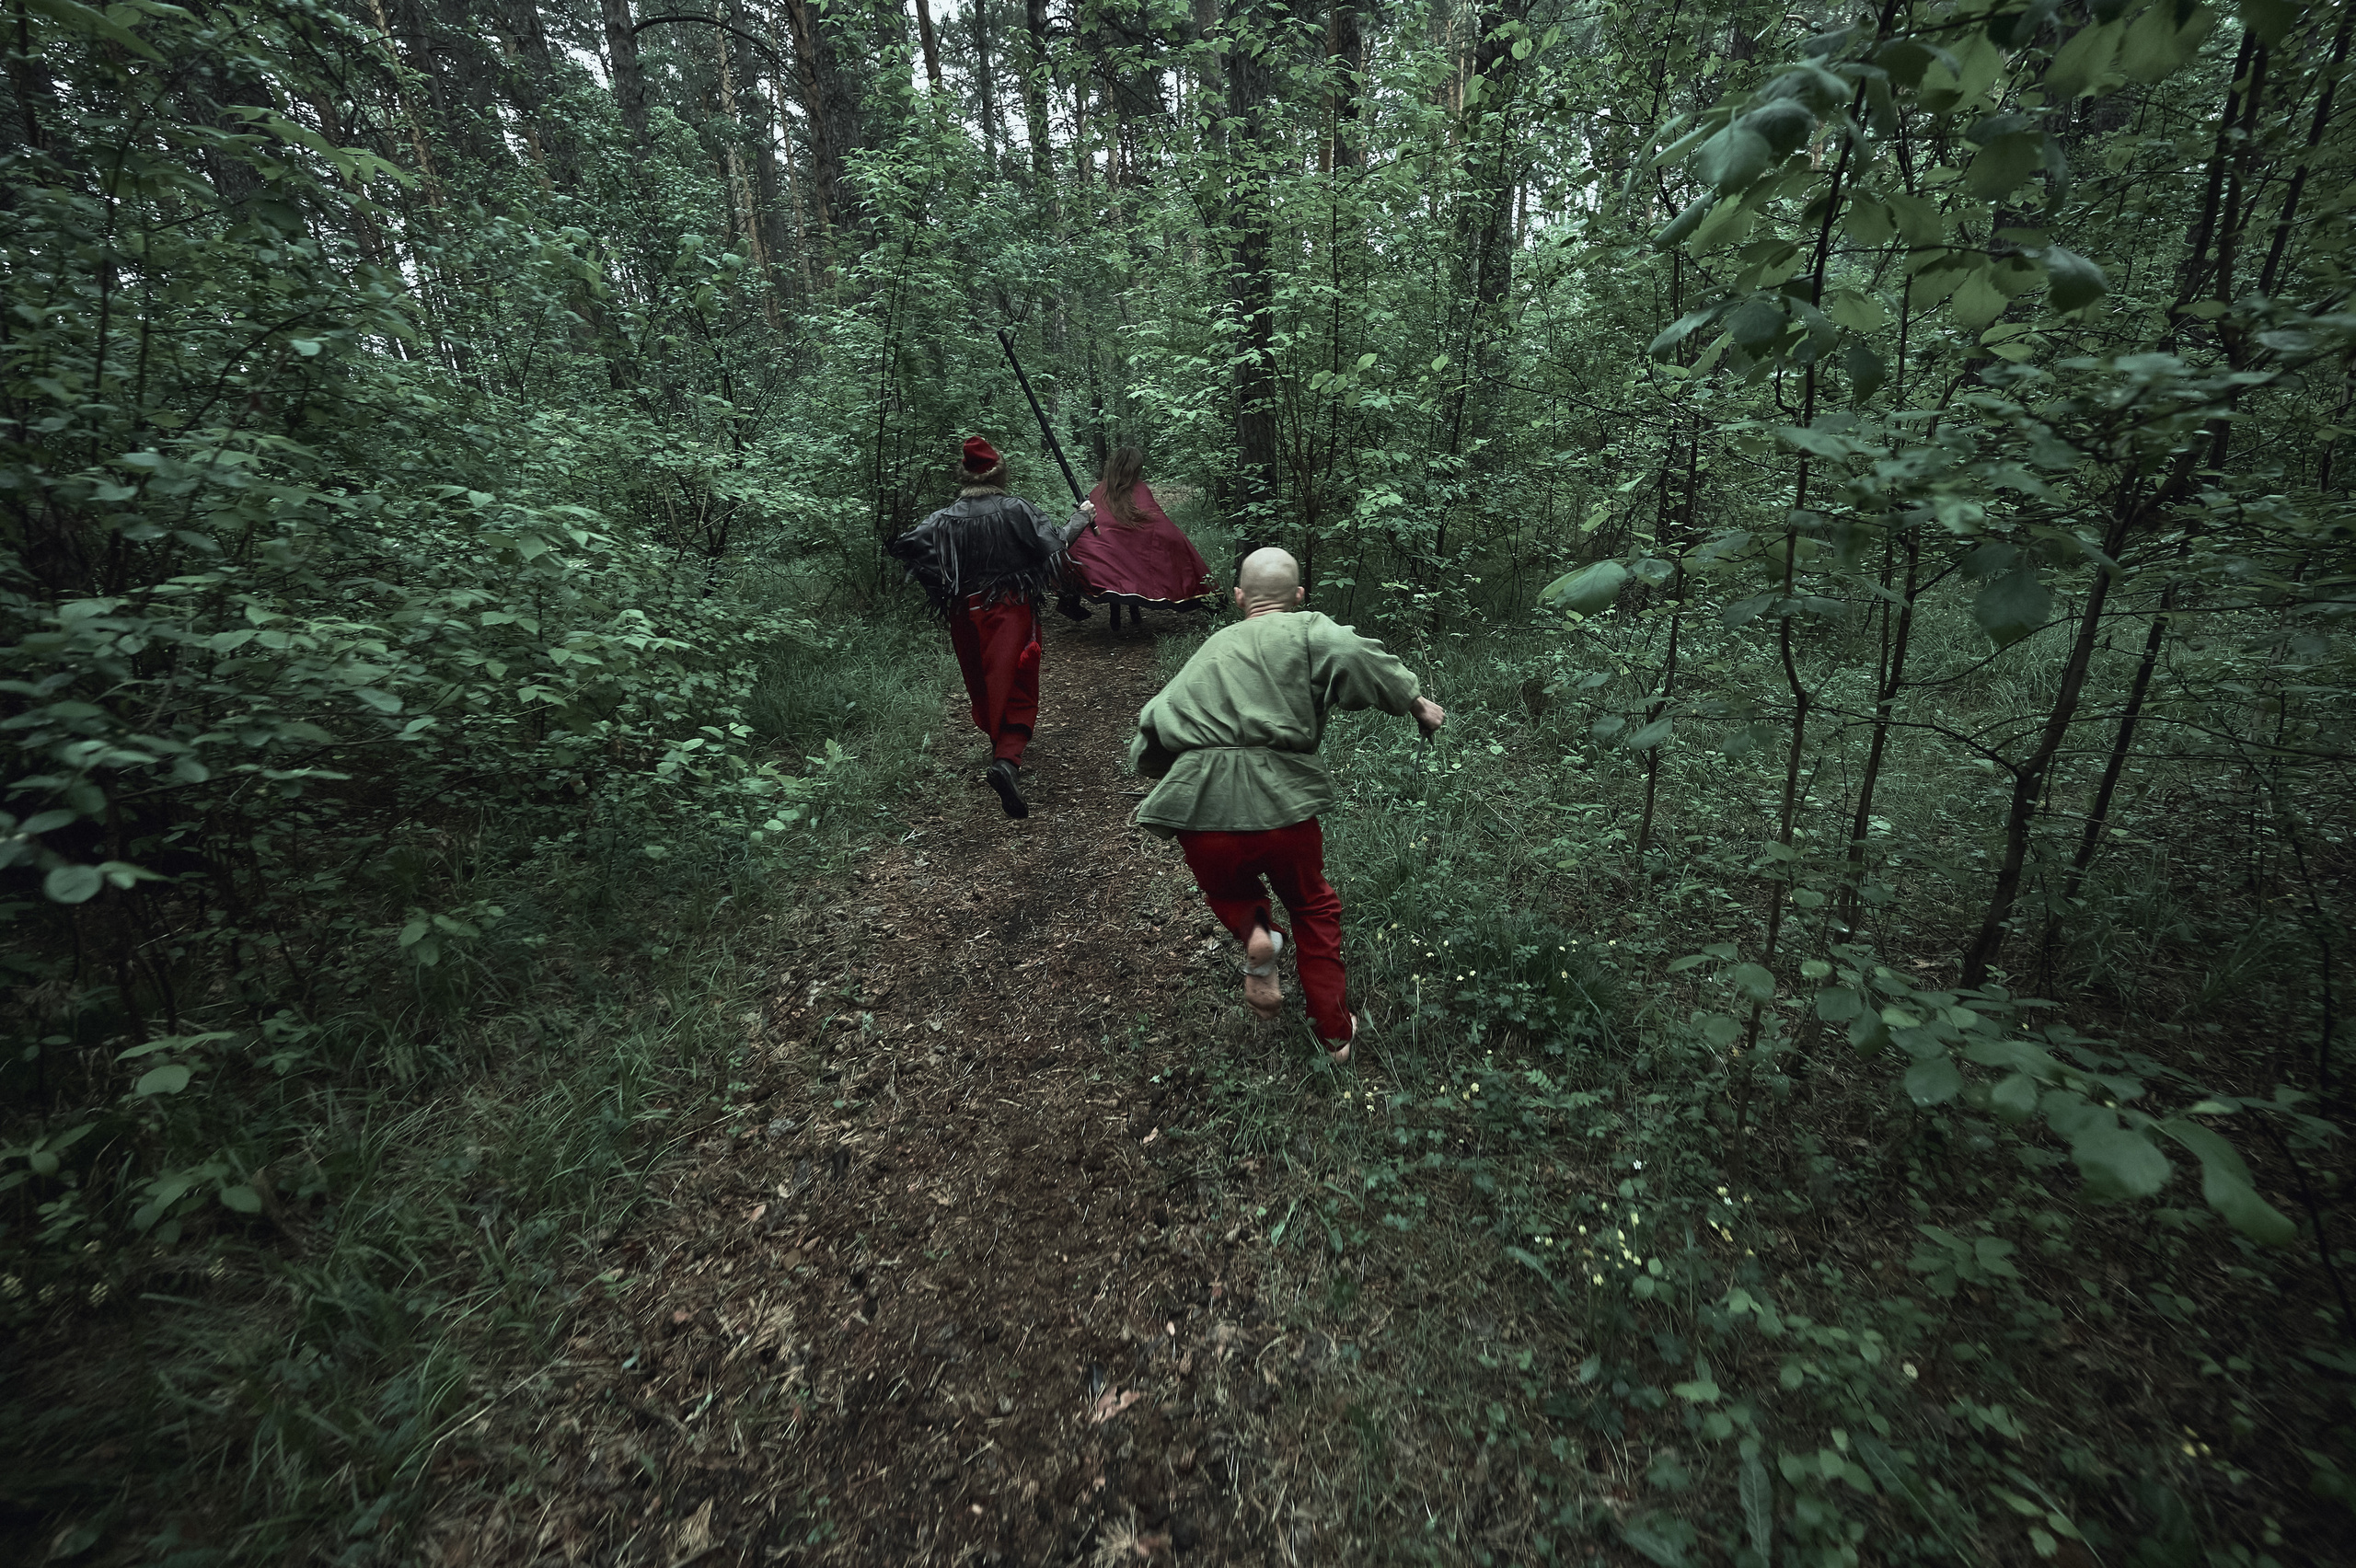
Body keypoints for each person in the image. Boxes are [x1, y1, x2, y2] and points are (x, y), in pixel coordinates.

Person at [1127, 548, 1444, 1063]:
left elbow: (1156, 718)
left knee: (1227, 888)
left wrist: (1160, 767)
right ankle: (1335, 1035)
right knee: (1311, 904)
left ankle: (1256, 934)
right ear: (1298, 595)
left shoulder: (1212, 647)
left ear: (1239, 598)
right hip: (1282, 804)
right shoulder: (1306, 628)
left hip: (1200, 808)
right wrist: (1415, 702)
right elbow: (1356, 653)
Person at [887, 436, 1095, 819]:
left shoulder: (943, 518)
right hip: (1010, 609)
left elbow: (906, 547)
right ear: (1000, 473)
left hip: (964, 613)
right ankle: (1006, 761)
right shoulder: (1016, 509)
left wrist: (945, 584)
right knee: (1017, 682)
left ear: (964, 474)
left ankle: (999, 749)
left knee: (982, 682)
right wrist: (1082, 517)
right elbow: (1054, 545)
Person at [1058, 447, 1212, 632]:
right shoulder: (1105, 491)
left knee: (1117, 558)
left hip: (1113, 558)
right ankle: (1124, 610)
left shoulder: (1106, 491)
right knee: (1117, 558)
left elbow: (1157, 526)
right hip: (1113, 557)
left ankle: (1121, 612)